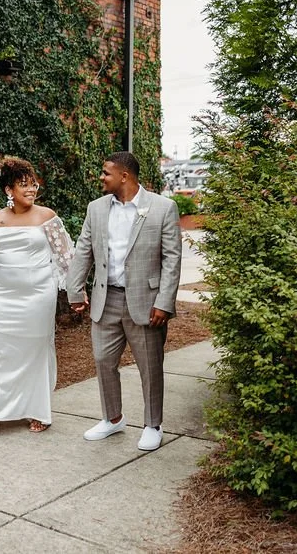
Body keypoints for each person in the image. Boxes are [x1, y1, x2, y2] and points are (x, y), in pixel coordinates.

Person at [66, 151, 182, 451]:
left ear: (124, 176)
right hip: (107, 298)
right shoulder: (96, 208)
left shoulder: (163, 208)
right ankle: (113, 418)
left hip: (146, 301)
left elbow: (172, 259)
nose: (101, 178)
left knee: (150, 366)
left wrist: (165, 302)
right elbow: (83, 251)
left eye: (106, 173)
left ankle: (153, 425)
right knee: (104, 360)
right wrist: (75, 291)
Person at [0, 156, 75, 438]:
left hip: (39, 294)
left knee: (36, 351)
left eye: (33, 184)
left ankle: (38, 409)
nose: (31, 189)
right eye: (23, 185)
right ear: (8, 190)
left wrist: (77, 292)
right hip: (3, 295)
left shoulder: (47, 217)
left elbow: (66, 259)